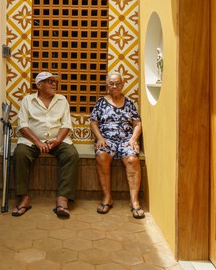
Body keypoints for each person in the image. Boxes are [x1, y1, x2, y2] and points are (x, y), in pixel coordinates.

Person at [12, 71, 79, 218]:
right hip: (31, 141)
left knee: (71, 154)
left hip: (57, 140)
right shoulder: (27, 101)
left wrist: (57, 141)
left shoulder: (62, 100)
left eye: (55, 81)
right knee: (20, 154)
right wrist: (37, 142)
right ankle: (24, 198)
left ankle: (62, 199)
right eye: (50, 81)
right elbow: (22, 125)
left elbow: (66, 124)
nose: (54, 84)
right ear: (39, 85)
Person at [89, 71, 144, 219]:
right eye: (111, 84)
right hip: (107, 140)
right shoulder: (101, 102)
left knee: (133, 160)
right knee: (102, 156)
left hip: (126, 140)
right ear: (107, 86)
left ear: (122, 84)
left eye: (118, 83)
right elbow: (93, 123)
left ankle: (134, 201)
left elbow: (137, 123)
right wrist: (99, 138)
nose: (115, 86)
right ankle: (107, 198)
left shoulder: (129, 103)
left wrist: (133, 139)